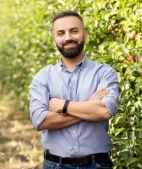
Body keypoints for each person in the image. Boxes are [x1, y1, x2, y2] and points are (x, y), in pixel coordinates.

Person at [29, 10, 120, 169]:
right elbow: (41, 121)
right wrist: (89, 107)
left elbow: (104, 112)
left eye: (74, 31)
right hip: (55, 164)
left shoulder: (104, 73)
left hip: (97, 164)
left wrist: (64, 106)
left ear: (85, 35)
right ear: (54, 39)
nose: (68, 37)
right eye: (61, 33)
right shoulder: (42, 78)